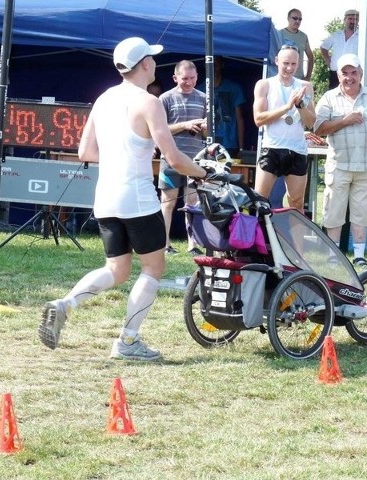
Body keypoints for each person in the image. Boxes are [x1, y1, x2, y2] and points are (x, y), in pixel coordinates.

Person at [38, 37, 210, 361]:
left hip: (105, 196)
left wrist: (121, 155)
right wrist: (204, 174)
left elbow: (85, 152)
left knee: (116, 269)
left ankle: (64, 304)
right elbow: (174, 159)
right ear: (145, 64)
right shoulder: (149, 102)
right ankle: (128, 342)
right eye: (152, 58)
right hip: (138, 197)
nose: (156, 63)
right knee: (153, 268)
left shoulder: (103, 99)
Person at [314, 53, 367, 268]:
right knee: (333, 211)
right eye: (344, 73)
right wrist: (345, 121)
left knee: (362, 212)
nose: (349, 77)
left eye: (353, 72)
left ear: (361, 74)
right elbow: (318, 128)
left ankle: (359, 256)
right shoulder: (329, 98)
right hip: (339, 165)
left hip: (366, 165)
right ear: (338, 75)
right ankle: (333, 256)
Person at [252, 44, 316, 213]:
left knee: (296, 203)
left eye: (294, 64)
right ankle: (255, 239)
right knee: (259, 200)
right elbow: (258, 119)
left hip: (297, 149)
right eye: (286, 63)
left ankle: (295, 240)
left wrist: (300, 105)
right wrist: (287, 107)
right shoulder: (264, 84)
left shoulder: (305, 86)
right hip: (272, 148)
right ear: (276, 61)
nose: (289, 68)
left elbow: (311, 122)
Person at [158, 60, 206, 256]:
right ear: (175, 78)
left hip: (196, 158)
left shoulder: (204, 98)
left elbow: (209, 131)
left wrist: (204, 127)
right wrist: (185, 125)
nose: (189, 82)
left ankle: (192, 244)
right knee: (167, 202)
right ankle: (164, 244)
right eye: (185, 78)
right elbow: (159, 129)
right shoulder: (165, 98)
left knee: (192, 202)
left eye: (193, 78)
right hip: (169, 157)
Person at [320, 9, 367, 89]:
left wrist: (366, 62)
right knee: (334, 98)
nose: (353, 21)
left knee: (353, 96)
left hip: (353, 74)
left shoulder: (362, 37)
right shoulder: (336, 35)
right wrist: (328, 62)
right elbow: (323, 47)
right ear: (344, 20)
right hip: (335, 73)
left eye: (356, 19)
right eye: (350, 19)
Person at [214, 56, 245, 158]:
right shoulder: (199, 89)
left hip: (229, 142)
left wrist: (241, 148)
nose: (213, 67)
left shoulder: (234, 88)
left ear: (222, 65)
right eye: (210, 65)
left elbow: (240, 119)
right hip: (206, 143)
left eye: (216, 64)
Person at [279, 9, 314, 81]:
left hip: (298, 78)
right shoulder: (279, 34)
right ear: (288, 18)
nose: (297, 21)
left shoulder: (303, 36)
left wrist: (308, 76)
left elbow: (310, 57)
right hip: (282, 77)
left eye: (300, 19)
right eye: (295, 18)